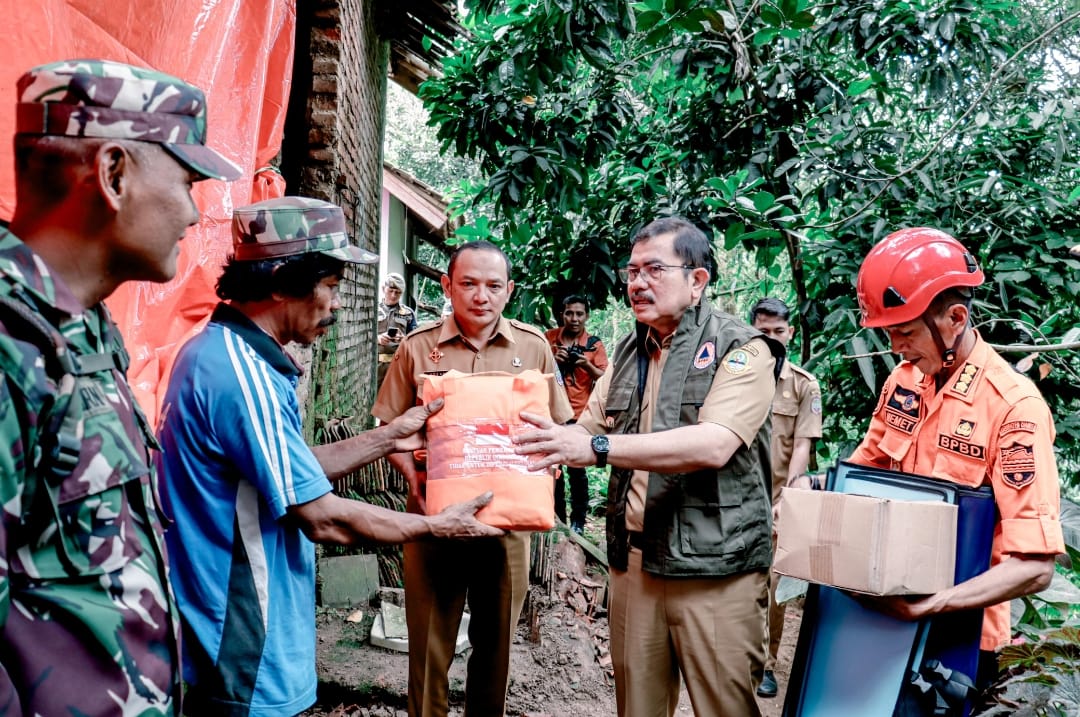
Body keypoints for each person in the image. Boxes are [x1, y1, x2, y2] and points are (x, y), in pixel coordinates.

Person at [156, 197, 502, 716]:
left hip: (235, 635)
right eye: (332, 287)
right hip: (241, 641)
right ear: (280, 282)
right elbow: (321, 517)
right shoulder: (240, 376)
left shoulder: (225, 353)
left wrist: (390, 437)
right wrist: (437, 526)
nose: (338, 305)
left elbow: (287, 469)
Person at [0, 58, 241, 716]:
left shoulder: (82, 327)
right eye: (188, 181)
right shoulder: (11, 343)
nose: (195, 214)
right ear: (112, 173)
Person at [513, 216, 783, 717]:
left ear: (697, 280)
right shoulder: (626, 351)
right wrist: (520, 439)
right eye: (631, 271)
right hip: (634, 566)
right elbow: (584, 426)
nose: (637, 282)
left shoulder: (742, 348)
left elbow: (714, 444)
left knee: (723, 708)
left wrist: (597, 448)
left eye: (654, 269)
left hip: (714, 570)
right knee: (636, 708)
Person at [847, 226, 1065, 689]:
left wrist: (931, 605)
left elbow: (1035, 565)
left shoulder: (1012, 408)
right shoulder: (903, 383)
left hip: (962, 635)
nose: (895, 349)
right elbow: (863, 474)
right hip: (885, 610)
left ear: (956, 318)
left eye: (904, 332)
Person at [373, 240, 573, 717]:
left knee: (496, 648)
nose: (480, 296)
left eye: (493, 285)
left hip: (508, 529)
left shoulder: (534, 347)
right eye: (468, 284)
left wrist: (552, 462)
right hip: (433, 523)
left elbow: (561, 430)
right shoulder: (417, 347)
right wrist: (417, 484)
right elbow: (386, 428)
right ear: (447, 286)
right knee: (428, 650)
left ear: (509, 291)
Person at [749, 297, 822, 699]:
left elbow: (801, 448)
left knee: (773, 587)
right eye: (764, 332)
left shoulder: (803, 385)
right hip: (735, 498)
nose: (772, 339)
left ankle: (766, 665)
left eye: (779, 331)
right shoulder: (736, 376)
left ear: (790, 333)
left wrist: (788, 498)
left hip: (778, 498)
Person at [545, 294, 608, 534]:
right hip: (553, 414)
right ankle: (558, 519)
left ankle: (578, 522)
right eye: (569, 313)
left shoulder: (594, 343)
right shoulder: (549, 339)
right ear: (562, 314)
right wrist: (555, 362)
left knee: (577, 471)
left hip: (580, 416)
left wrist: (585, 364)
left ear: (587, 316)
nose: (574, 318)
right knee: (555, 470)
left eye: (579, 313)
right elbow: (537, 370)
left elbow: (604, 379)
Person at [377, 272, 418, 387]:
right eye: (390, 291)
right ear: (383, 288)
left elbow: (416, 342)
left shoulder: (408, 314)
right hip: (374, 365)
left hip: (398, 365)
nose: (394, 295)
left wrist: (404, 340)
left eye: (398, 293)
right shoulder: (373, 310)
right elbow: (361, 336)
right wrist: (377, 339)